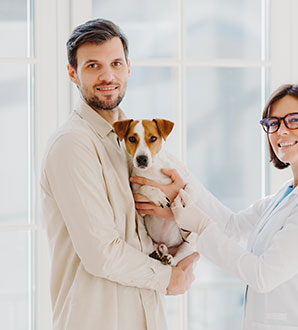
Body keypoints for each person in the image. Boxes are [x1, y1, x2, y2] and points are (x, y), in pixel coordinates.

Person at [40, 18, 199, 330]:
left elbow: (189, 201)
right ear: (72, 73)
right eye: (92, 66)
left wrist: (176, 213)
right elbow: (100, 252)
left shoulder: (135, 140)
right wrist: (169, 277)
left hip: (145, 315)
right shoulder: (73, 144)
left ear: (129, 68)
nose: (107, 76)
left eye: (115, 63)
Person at [131, 82, 298, 329]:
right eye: (273, 123)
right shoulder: (288, 194)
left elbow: (263, 275)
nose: (281, 131)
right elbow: (231, 227)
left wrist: (198, 222)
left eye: (293, 120)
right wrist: (181, 186)